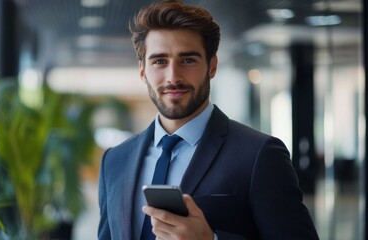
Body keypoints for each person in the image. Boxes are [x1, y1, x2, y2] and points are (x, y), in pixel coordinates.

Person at [98, 0, 319, 239]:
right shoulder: (115, 161)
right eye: (159, 61)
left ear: (212, 66)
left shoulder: (259, 155)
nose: (173, 76)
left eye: (188, 60)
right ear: (143, 71)